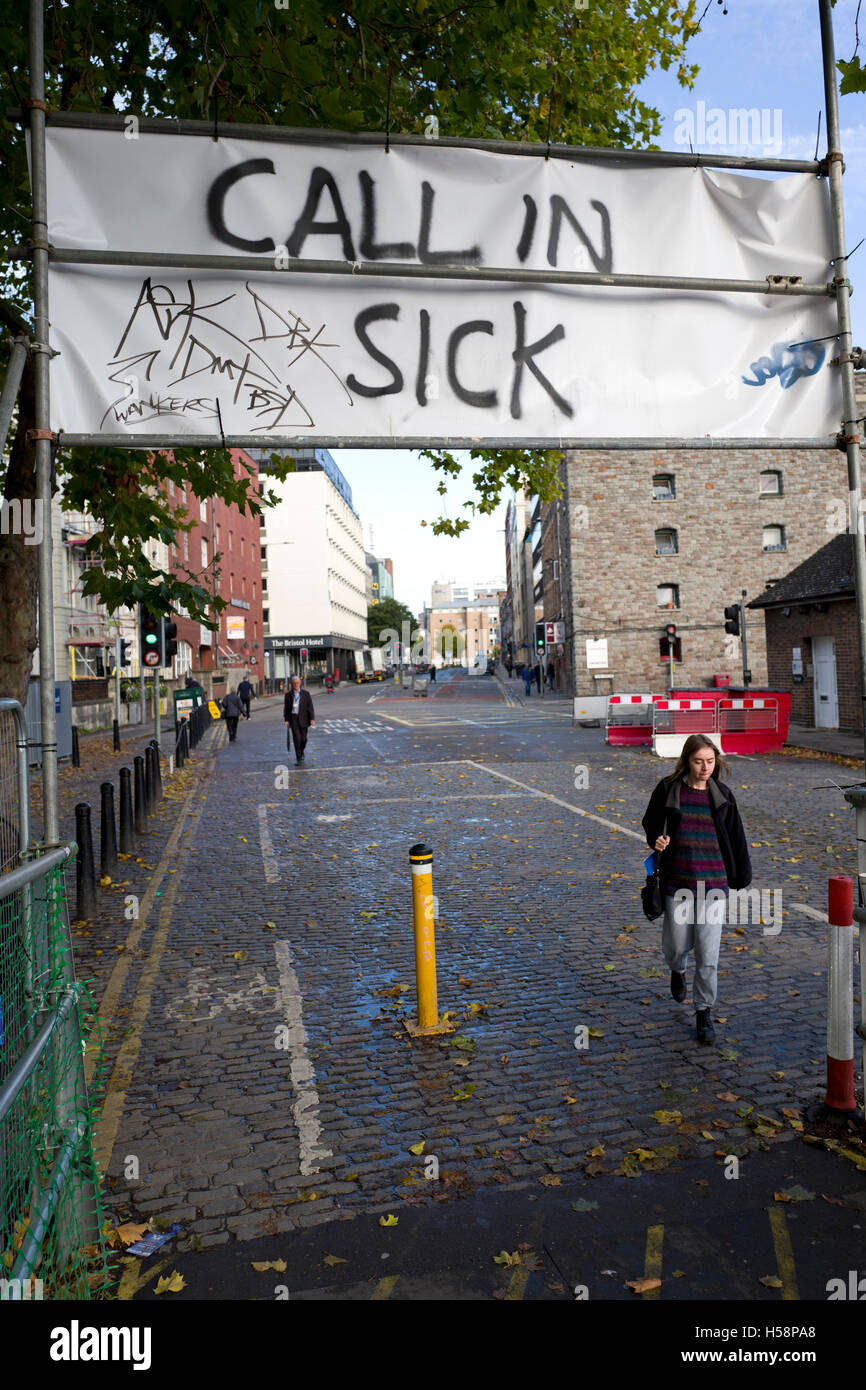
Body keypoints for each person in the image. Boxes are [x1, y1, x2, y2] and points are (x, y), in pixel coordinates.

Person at [641, 734, 752, 1046]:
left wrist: (740, 876)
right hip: (678, 882)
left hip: (713, 884)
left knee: (708, 955)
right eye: (698, 761)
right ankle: (677, 970)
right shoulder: (668, 789)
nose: (705, 767)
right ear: (686, 761)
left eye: (710, 761)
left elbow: (737, 838)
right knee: (675, 946)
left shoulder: (723, 796)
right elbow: (651, 823)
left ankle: (703, 1011)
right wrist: (656, 840)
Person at [283, 674, 316, 765]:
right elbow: (286, 709)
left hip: (304, 719)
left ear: (300, 683)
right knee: (297, 739)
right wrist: (286, 719)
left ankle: (301, 752)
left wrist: (312, 719)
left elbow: (310, 707)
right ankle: (298, 758)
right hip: (293, 719)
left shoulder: (306, 694)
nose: (296, 684)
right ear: (292, 684)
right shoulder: (288, 695)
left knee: (304, 739)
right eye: (294, 683)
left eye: (298, 683)